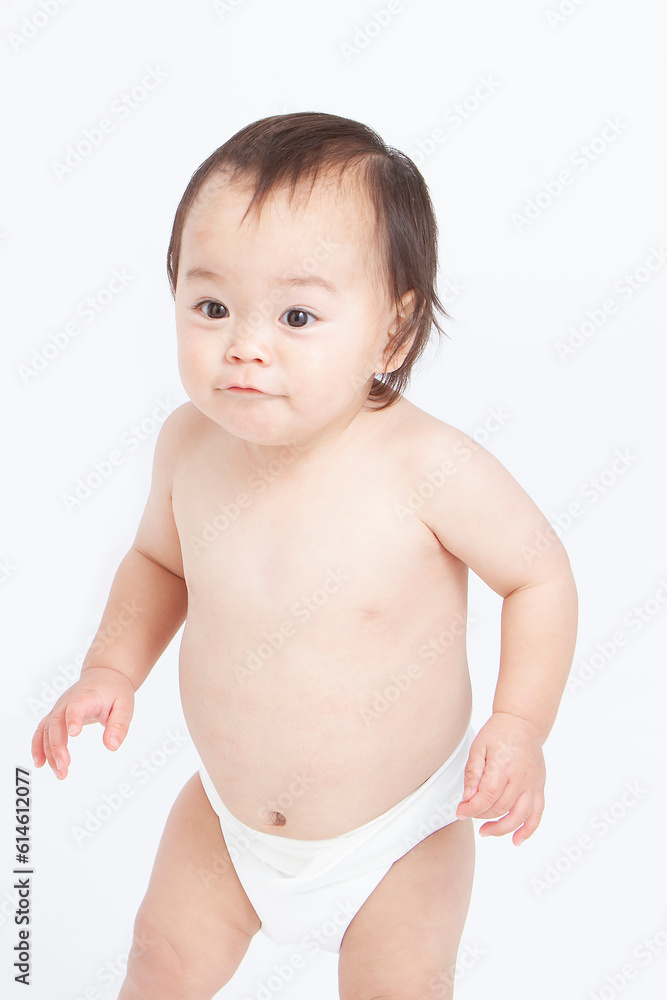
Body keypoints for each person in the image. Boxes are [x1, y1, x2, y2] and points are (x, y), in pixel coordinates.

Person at [31, 111, 578, 999]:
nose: (244, 345)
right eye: (211, 307)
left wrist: (519, 725)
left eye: (296, 315)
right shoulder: (188, 446)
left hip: (398, 835)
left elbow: (538, 575)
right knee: (159, 962)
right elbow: (159, 564)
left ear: (392, 333)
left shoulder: (428, 468)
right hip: (228, 821)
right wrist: (111, 669)